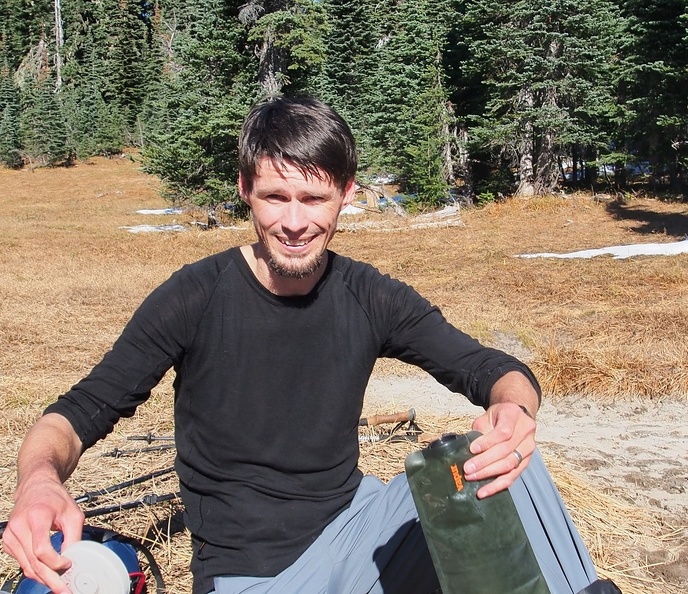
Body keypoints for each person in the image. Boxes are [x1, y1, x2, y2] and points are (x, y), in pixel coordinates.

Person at [2, 97, 613, 594]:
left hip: (355, 528)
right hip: (253, 575)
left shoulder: (367, 294)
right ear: (245, 188)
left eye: (315, 198)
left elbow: (493, 369)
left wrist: (515, 410)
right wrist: (37, 482)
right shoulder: (196, 296)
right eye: (275, 197)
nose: (294, 223)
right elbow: (78, 413)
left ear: (347, 193)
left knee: (507, 466)